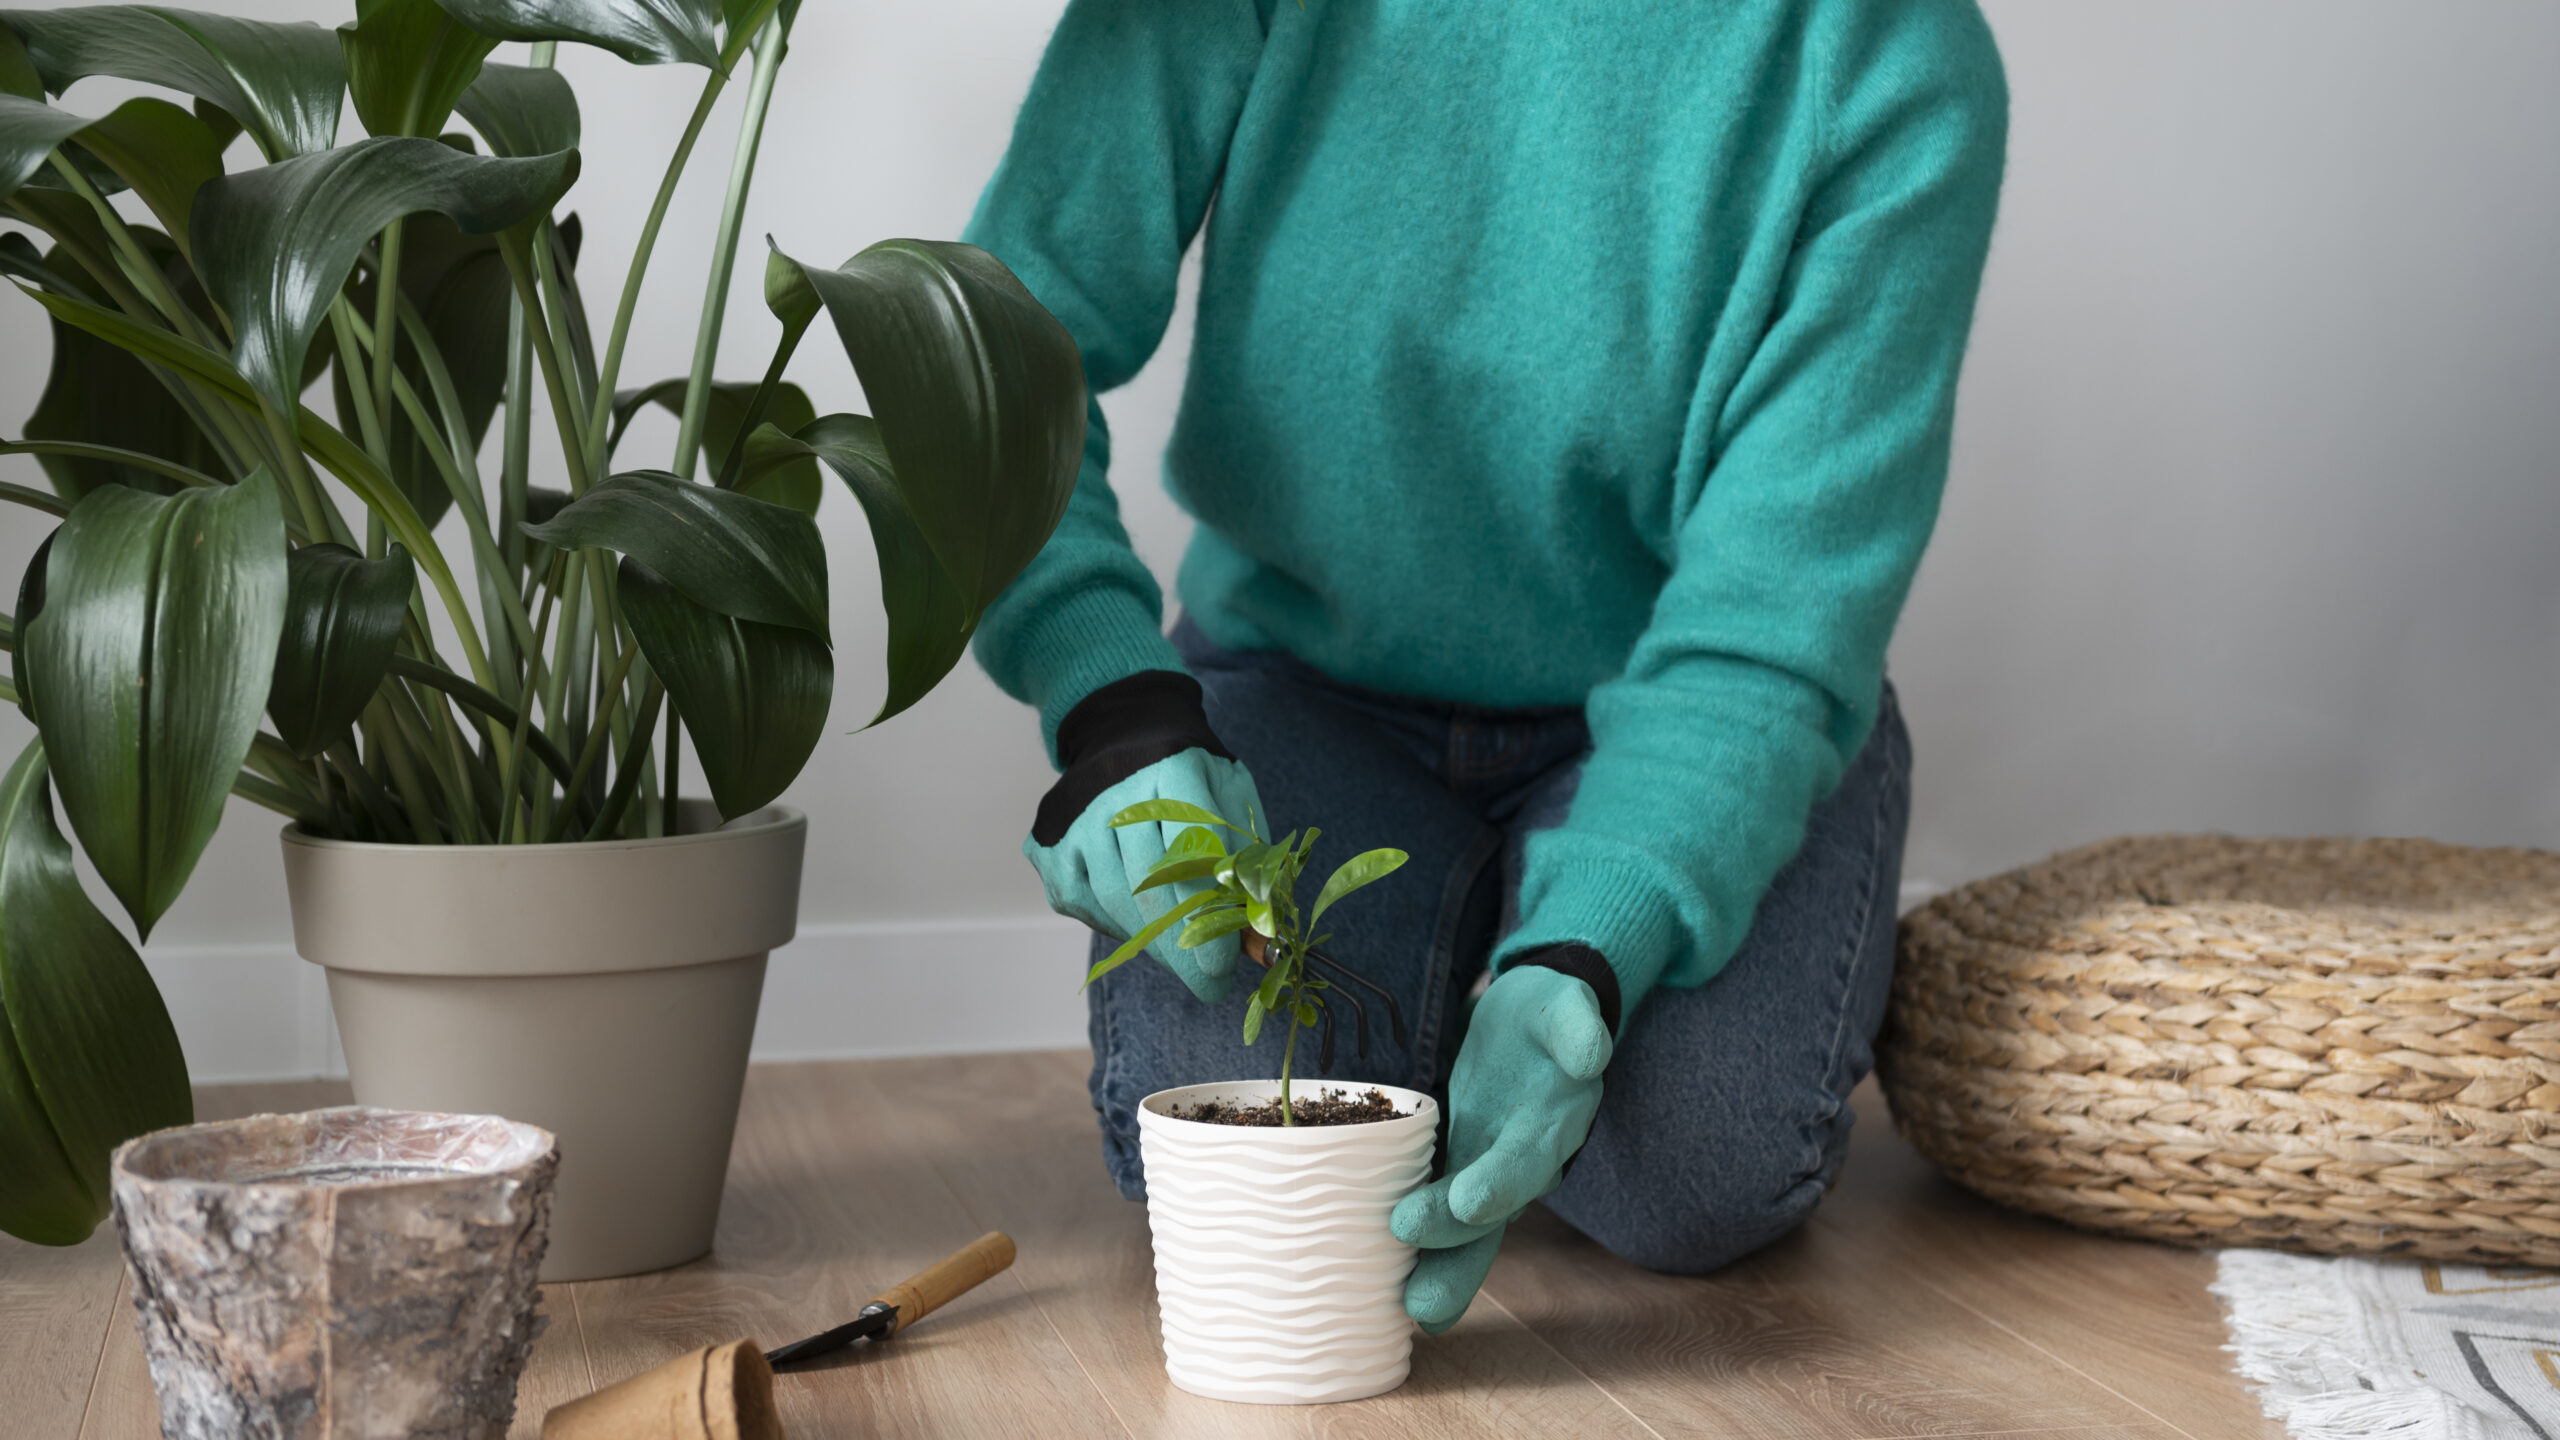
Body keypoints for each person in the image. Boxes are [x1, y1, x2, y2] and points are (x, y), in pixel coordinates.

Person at [961, 0, 2006, 1332]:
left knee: (1689, 1173)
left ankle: (1510, 969)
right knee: (1230, 1136)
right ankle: (1446, 992)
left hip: (1692, 712)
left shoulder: (1896, 60)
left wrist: (1587, 946)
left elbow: (1775, 615)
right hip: (1300, 683)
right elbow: (987, 352)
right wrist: (1113, 706)